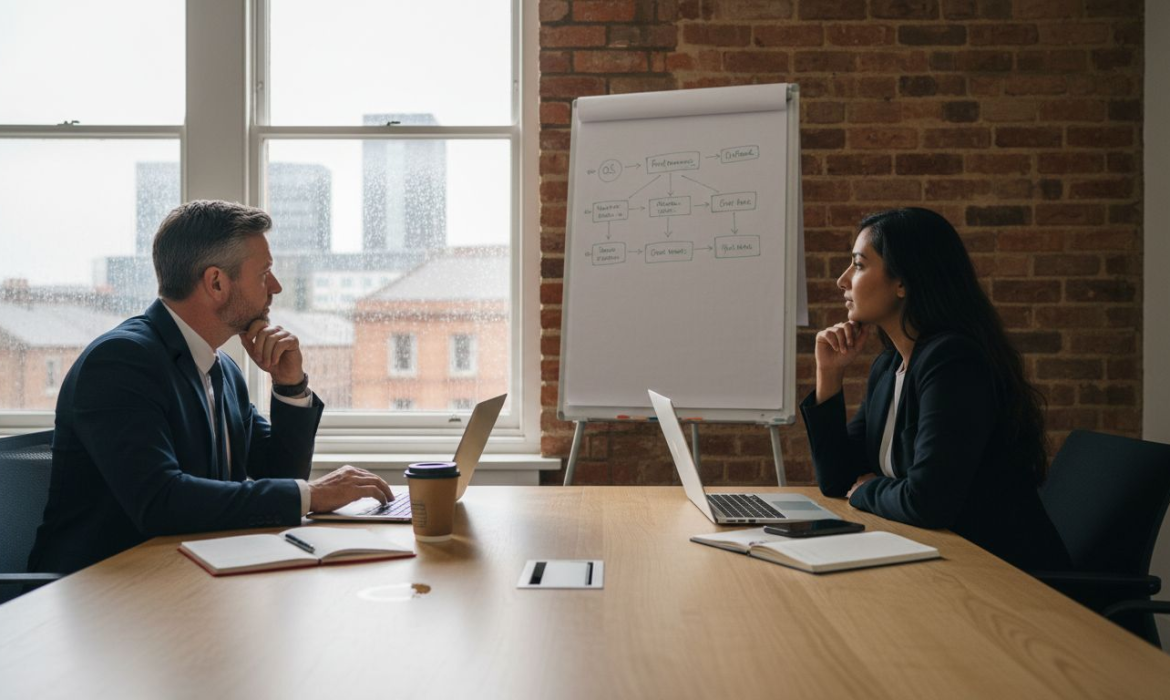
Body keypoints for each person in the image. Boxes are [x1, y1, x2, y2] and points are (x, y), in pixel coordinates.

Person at [29, 200, 394, 575]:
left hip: (186, 573)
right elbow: (160, 501)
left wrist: (290, 385)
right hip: (99, 587)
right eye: (264, 273)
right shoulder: (121, 362)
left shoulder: (223, 370)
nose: (276, 286)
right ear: (216, 282)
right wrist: (312, 495)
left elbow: (282, 475)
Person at [800, 207, 1071, 571]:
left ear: (902, 282)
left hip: (1004, 575)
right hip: (939, 558)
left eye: (859, 265)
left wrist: (867, 490)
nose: (842, 280)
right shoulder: (889, 367)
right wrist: (829, 374)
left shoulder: (952, 362)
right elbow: (837, 480)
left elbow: (928, 501)